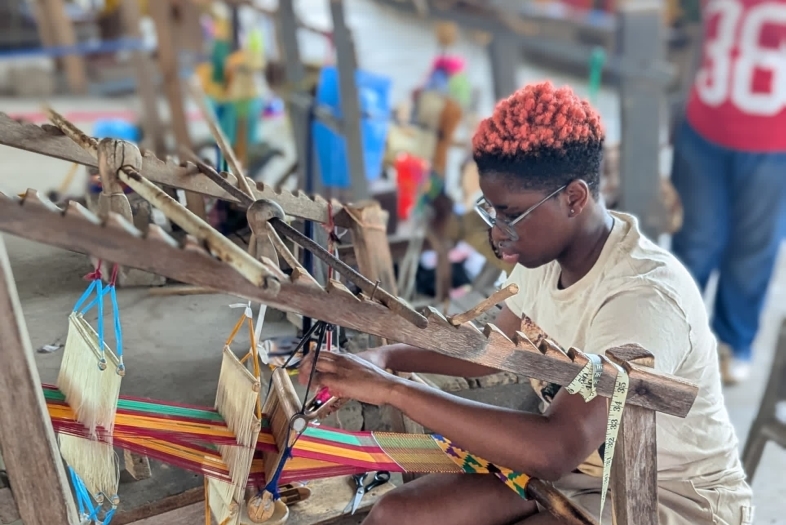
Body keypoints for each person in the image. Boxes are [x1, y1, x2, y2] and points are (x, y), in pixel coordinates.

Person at [299, 81, 753, 524]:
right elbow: (491, 350)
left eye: (512, 214)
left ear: (574, 198)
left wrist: (391, 389)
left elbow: (554, 449)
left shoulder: (643, 300)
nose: (497, 231)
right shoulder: (545, 257)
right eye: (492, 210)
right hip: (583, 473)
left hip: (668, 497)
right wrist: (388, 357)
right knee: (399, 514)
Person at [670, 0, 786, 385]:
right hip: (705, 129)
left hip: (774, 142)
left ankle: (733, 341)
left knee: (754, 247)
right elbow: (699, 36)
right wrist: (678, 107)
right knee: (695, 241)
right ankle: (676, 335)